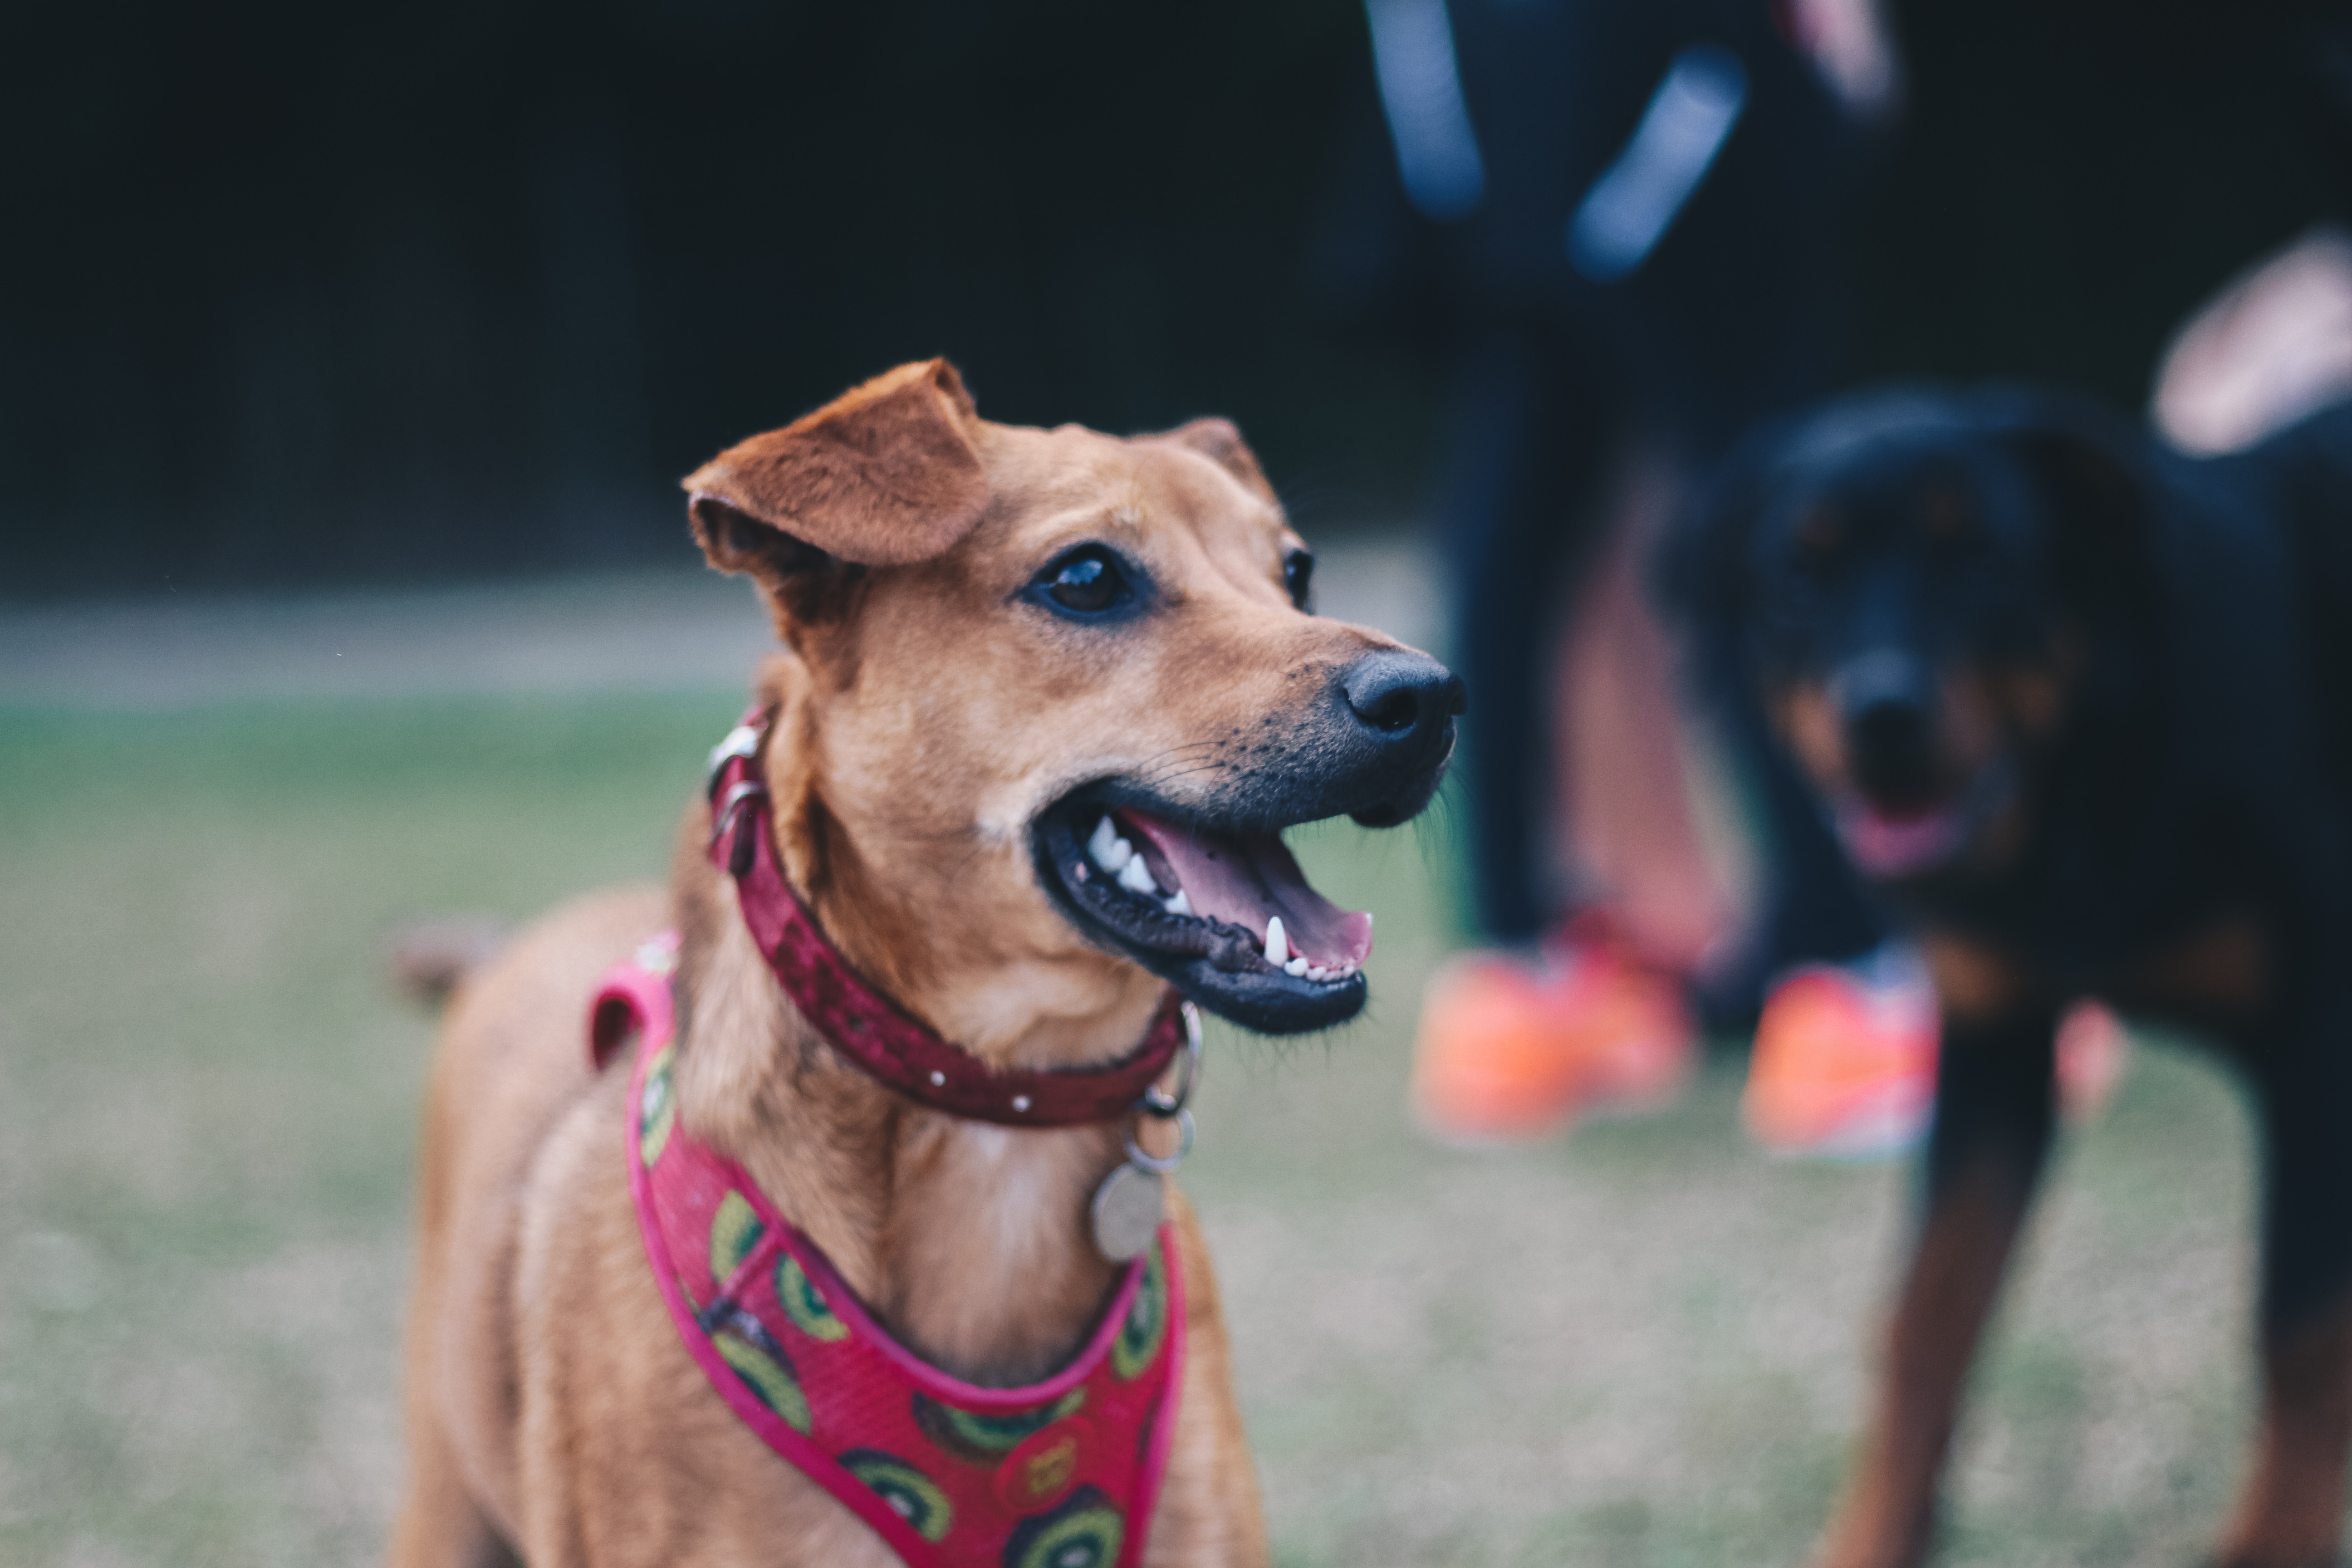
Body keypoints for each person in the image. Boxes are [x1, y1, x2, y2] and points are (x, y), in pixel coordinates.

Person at [1334, 0, 1929, 1142]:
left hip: (1481, 60)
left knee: (1520, 487)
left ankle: (1518, 984)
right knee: (1772, 491)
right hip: (1676, 57)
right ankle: (1849, 992)